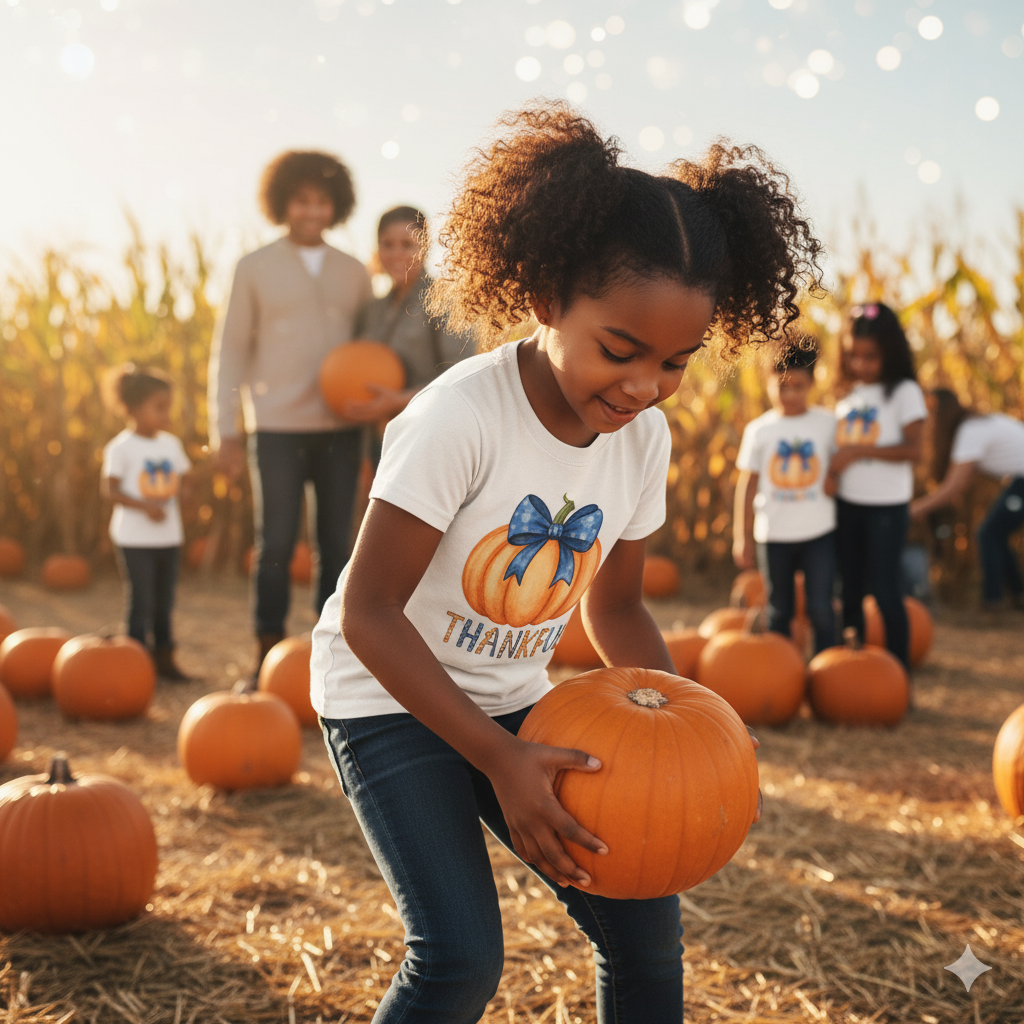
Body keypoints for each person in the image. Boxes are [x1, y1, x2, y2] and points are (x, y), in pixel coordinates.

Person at [310, 103, 823, 1023]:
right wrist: (499, 758)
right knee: (459, 959)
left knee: (644, 933)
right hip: (387, 696)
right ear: (547, 298)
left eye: (676, 363)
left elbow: (615, 610)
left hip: (515, 695)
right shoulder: (459, 419)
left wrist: (704, 735)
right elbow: (369, 613)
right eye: (619, 351)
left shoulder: (643, 440)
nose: (643, 386)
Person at [208, 150, 372, 676]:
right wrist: (226, 430)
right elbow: (230, 352)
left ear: (336, 206)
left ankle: (332, 659)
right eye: (302, 201)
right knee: (275, 544)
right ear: (283, 203)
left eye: (322, 202)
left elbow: (370, 352)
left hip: (341, 430)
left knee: (337, 546)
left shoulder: (354, 272)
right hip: (276, 428)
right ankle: (267, 651)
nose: (312, 212)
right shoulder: (253, 267)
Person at [829, 302, 926, 669]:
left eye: (870, 357)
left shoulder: (904, 392)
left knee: (886, 593)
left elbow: (914, 450)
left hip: (886, 507)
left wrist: (857, 452)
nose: (861, 364)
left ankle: (898, 675)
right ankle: (850, 668)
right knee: (850, 591)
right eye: (853, 355)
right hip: (847, 504)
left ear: (890, 353)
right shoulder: (848, 394)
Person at [733, 339, 837, 654]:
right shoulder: (759, 430)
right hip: (773, 535)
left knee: (821, 608)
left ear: (812, 384)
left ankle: (826, 668)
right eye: (782, 387)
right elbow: (747, 485)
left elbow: (841, 465)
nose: (790, 394)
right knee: (779, 609)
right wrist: (742, 536)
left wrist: (834, 477)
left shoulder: (827, 424)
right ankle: (783, 668)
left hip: (819, 533)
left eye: (798, 387)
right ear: (767, 382)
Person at [347, 205, 474, 438]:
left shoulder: (444, 302)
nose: (396, 254)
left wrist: (398, 401)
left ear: (425, 248)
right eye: (387, 245)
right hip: (378, 438)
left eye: (407, 245)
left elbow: (462, 377)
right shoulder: (372, 310)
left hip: (427, 435)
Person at [101, 366, 193, 681]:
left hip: (169, 537)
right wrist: (145, 507)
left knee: (164, 603)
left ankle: (164, 660)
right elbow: (110, 490)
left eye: (168, 407)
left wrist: (188, 493)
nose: (166, 414)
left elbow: (183, 480)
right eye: (159, 407)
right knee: (142, 601)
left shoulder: (171, 445)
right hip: (134, 538)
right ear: (135, 409)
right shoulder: (121, 448)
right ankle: (135, 664)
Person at [911, 389, 1024, 609]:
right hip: (1018, 481)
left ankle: (993, 602)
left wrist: (916, 509)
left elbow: (954, 486)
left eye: (930, 413)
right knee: (996, 535)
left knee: (988, 535)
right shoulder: (979, 424)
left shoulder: (971, 430)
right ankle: (1017, 596)